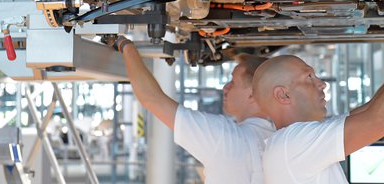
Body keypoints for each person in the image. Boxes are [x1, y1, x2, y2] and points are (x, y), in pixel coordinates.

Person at [253, 11, 384, 183]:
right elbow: (380, 121)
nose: (321, 83)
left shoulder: (291, 143)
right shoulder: (292, 143)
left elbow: (372, 111)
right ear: (283, 94)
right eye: (309, 77)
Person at [112, 37, 274, 183]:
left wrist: (126, 46)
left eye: (233, 82)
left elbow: (151, 98)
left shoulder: (224, 137)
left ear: (253, 94)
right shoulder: (277, 140)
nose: (225, 87)